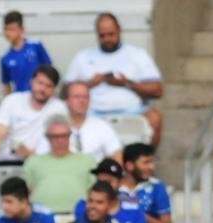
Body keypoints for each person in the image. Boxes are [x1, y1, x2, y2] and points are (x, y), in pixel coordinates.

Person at [63, 13, 164, 146]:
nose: (107, 39)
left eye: (111, 34)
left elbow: (158, 90)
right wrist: (89, 84)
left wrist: (127, 83)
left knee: (155, 118)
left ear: (119, 30)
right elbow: (63, 93)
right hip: (93, 114)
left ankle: (145, 162)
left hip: (132, 113)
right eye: (102, 36)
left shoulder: (137, 55)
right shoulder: (83, 57)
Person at [0, 65, 67, 166]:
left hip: (41, 165)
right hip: (7, 162)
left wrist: (29, 154)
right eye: (40, 83)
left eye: (48, 86)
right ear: (31, 81)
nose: (42, 89)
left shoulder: (59, 108)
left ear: (54, 90)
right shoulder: (12, 100)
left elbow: (60, 143)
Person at [23, 116, 96, 214]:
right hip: (42, 218)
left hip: (78, 217)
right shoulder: (33, 162)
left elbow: (96, 192)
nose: (60, 140)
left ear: (70, 136)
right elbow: (23, 194)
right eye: (55, 137)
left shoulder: (87, 161)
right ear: (47, 137)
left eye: (64, 136)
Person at [38, 81, 123, 161]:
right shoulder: (54, 127)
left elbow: (116, 153)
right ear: (66, 101)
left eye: (85, 97)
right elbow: (41, 156)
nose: (82, 101)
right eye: (77, 97)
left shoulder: (102, 126)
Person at [121, 143, 172, 223]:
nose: (151, 167)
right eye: (146, 162)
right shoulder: (114, 187)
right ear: (129, 165)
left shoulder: (157, 187)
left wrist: (138, 214)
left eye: (152, 162)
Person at [0, 11, 52, 95]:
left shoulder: (36, 46)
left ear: (21, 29)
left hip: (40, 97)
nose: (8, 33)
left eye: (12, 29)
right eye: (6, 29)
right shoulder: (5, 58)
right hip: (20, 100)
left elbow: (50, 72)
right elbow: (6, 85)